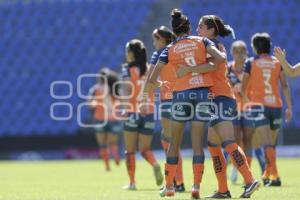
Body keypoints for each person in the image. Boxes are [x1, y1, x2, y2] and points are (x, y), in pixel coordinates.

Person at [145, 9, 226, 199]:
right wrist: (201, 67)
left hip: (180, 95)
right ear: (189, 27)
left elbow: (151, 79)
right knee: (198, 145)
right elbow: (221, 59)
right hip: (203, 93)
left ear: (174, 30)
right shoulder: (202, 41)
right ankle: (196, 186)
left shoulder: (168, 49)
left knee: (174, 143)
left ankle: (169, 186)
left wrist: (160, 84)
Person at [178, 15, 260, 198]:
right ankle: (223, 189)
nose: (197, 29)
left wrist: (187, 69)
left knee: (228, 142)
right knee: (213, 145)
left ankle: (249, 180)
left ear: (211, 30)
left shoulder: (211, 46)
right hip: (217, 98)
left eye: (201, 26)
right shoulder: (210, 45)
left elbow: (214, 66)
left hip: (220, 98)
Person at [241, 32, 292, 187]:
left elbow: (243, 89)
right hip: (276, 106)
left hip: (258, 106)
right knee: (271, 143)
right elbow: (284, 85)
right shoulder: (277, 62)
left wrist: (246, 103)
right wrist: (289, 107)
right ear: (269, 46)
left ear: (255, 47)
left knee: (266, 143)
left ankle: (275, 176)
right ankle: (269, 173)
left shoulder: (250, 62)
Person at [121, 39, 163, 190]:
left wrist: (125, 108)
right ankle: (155, 164)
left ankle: (132, 183)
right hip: (149, 112)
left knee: (130, 150)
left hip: (133, 111)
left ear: (131, 54)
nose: (126, 54)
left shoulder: (127, 69)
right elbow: (158, 85)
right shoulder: (149, 69)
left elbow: (127, 89)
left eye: (127, 51)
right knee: (145, 149)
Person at [150, 26, 185, 192]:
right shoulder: (178, 50)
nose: (154, 43)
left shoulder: (159, 54)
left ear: (163, 40)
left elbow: (151, 79)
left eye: (155, 39)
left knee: (169, 141)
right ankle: (178, 181)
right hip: (181, 98)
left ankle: (175, 182)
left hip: (167, 100)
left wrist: (147, 93)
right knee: (172, 140)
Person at [227, 40, 265, 183]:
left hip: (249, 109)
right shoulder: (228, 69)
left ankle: (247, 173)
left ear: (246, 52)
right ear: (232, 53)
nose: (239, 54)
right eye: (236, 51)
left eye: (242, 51)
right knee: (236, 141)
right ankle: (236, 168)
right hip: (234, 110)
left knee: (248, 141)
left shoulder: (251, 68)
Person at [88, 68, 122, 171]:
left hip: (99, 118)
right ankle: (116, 155)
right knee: (113, 143)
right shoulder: (114, 88)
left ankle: (107, 166)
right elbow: (120, 101)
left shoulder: (95, 89)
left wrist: (95, 104)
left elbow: (90, 103)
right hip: (113, 118)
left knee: (102, 144)